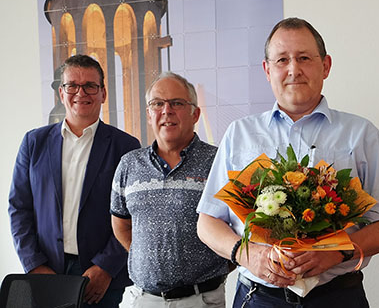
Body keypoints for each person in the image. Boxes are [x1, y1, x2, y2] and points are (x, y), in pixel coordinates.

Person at [195, 17, 379, 307]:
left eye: (304, 58)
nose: (293, 69)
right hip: (259, 297)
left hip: (337, 295)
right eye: (282, 59)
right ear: (267, 70)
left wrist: (338, 251)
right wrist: (248, 255)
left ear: (326, 66)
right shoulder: (240, 134)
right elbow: (207, 222)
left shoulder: (361, 134)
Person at [9, 54, 140, 307]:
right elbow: (19, 208)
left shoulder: (125, 147)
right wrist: (33, 264)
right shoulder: (34, 143)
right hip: (45, 270)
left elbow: (133, 216)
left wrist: (106, 267)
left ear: (102, 93)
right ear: (61, 93)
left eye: (90, 85)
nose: (81, 92)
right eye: (72, 85)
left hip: (100, 277)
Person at [110, 72, 230, 307]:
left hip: (202, 299)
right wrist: (148, 259)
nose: (166, 111)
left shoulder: (219, 163)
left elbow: (239, 227)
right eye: (157, 104)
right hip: (144, 299)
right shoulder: (129, 164)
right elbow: (121, 224)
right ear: (149, 114)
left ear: (195, 113)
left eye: (177, 103)